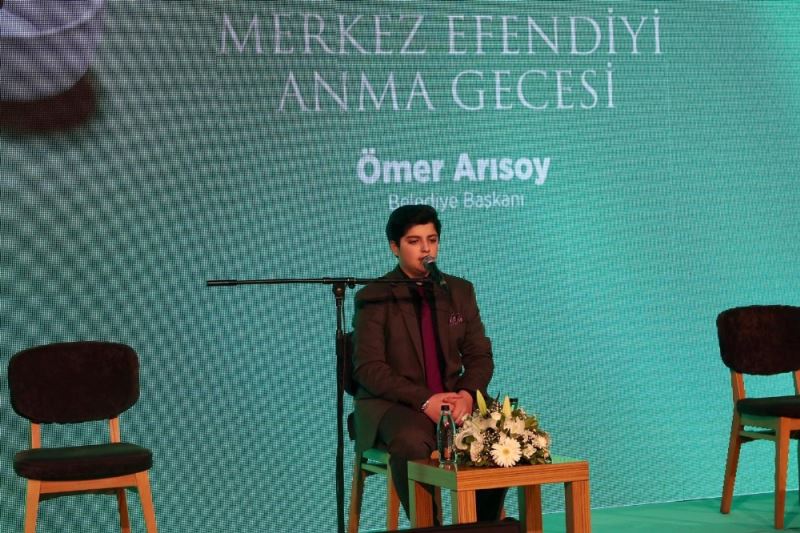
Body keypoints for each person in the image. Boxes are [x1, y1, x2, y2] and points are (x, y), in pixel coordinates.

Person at [351, 204, 506, 522]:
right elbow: (369, 369)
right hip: (396, 404)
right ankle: (429, 526)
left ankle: (483, 526)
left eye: (432, 240)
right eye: (414, 241)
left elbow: (479, 355)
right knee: (411, 441)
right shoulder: (374, 296)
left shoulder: (458, 291)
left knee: (500, 431)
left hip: (453, 399)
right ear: (395, 247)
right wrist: (425, 400)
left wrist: (467, 395)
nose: (426, 249)